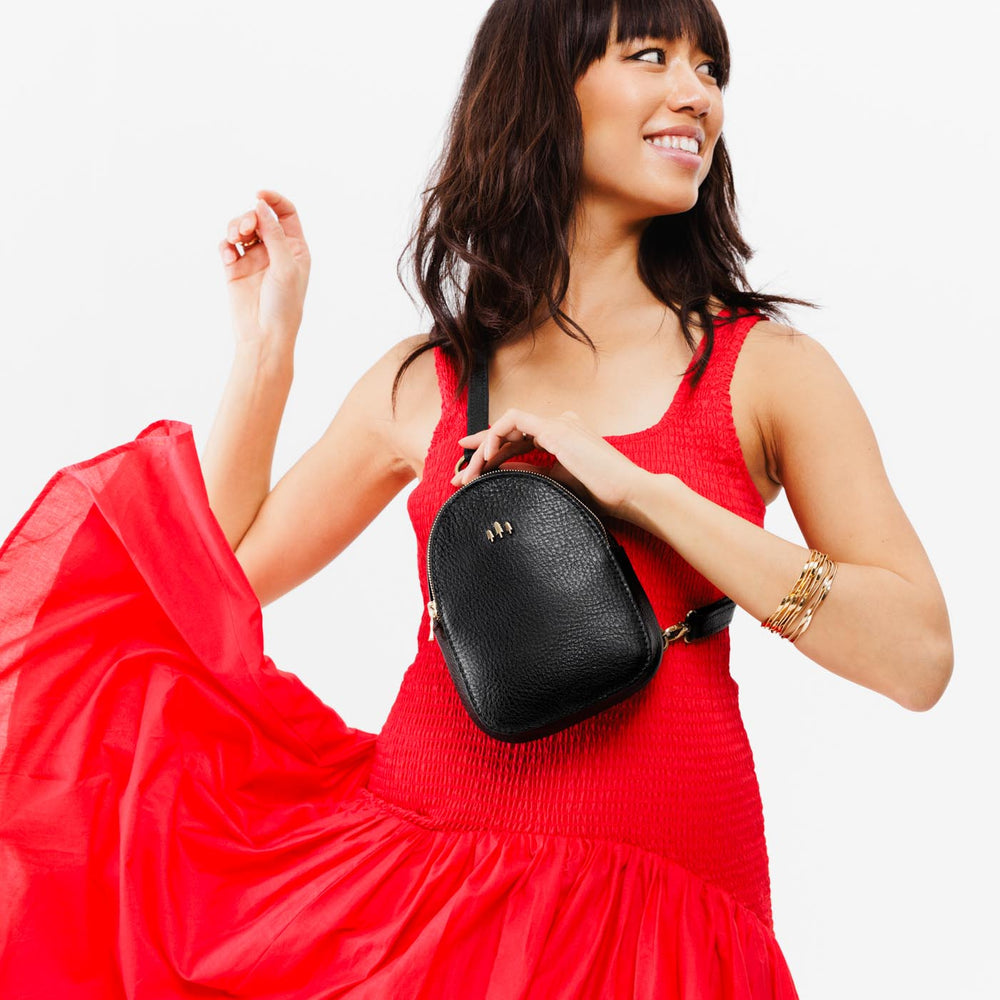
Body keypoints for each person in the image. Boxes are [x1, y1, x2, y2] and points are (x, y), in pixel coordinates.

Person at [0, 0, 952, 996]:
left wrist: (640, 489)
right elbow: (213, 586)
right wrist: (267, 346)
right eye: (651, 55)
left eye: (710, 68)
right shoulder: (433, 378)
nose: (696, 94)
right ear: (544, 88)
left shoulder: (766, 371)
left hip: (666, 920)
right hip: (420, 907)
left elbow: (917, 656)